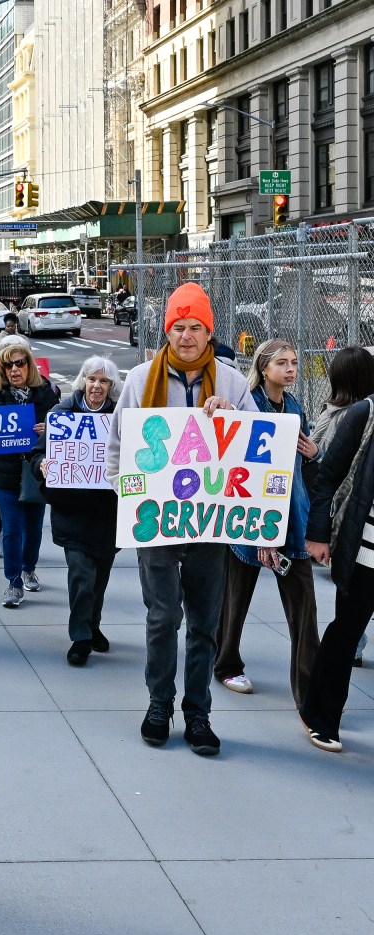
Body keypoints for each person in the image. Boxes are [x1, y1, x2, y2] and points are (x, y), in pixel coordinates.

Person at [107, 282, 257, 757]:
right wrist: (130, 495)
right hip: (157, 522)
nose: (187, 335)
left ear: (209, 332)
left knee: (204, 623)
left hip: (211, 525)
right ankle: (159, 703)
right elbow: (117, 450)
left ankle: (198, 712)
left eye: (196, 327)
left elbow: (257, 449)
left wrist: (234, 418)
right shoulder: (139, 380)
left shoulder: (232, 381)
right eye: (178, 326)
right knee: (162, 616)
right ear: (166, 330)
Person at [213, 340, 320, 705]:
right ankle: (226, 665)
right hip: (249, 521)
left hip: (293, 521)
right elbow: (244, 468)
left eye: (294, 362)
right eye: (282, 363)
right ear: (263, 367)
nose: (290, 369)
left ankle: (311, 692)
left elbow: (298, 467)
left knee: (305, 610)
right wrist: (260, 529)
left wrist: (314, 454)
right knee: (234, 601)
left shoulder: (294, 407)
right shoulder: (249, 405)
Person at [37, 356, 121, 664]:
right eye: (92, 379)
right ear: (83, 381)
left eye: (104, 381)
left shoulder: (120, 418)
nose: (97, 386)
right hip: (72, 511)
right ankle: (81, 638)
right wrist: (42, 465)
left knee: (99, 578)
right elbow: (37, 454)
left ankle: (92, 625)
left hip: (108, 513)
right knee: (81, 577)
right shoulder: (61, 415)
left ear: (112, 387)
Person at [309, 346, 374, 667]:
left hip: (346, 520)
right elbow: (329, 470)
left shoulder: (336, 413)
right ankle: (353, 646)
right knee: (353, 598)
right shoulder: (354, 415)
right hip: (352, 523)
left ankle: (353, 645)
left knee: (352, 599)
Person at [0, 337, 57, 608]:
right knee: (12, 528)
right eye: (8, 366)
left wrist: (49, 430)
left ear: (29, 365)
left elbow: (61, 426)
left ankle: (29, 568)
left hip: (36, 472)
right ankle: (13, 582)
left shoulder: (45, 392)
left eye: (20, 363)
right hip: (4, 473)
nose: (15, 370)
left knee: (34, 528)